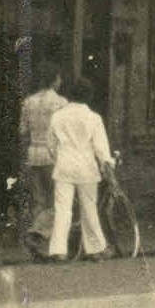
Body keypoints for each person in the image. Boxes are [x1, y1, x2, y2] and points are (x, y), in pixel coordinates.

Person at [47, 79, 115, 262]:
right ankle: (95, 249)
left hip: (64, 165)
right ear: (89, 96)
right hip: (87, 167)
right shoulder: (94, 118)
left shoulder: (57, 116)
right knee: (89, 208)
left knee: (62, 209)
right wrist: (107, 166)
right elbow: (101, 148)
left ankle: (59, 251)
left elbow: (51, 144)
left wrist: (58, 158)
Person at [18, 62, 67, 257]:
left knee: (39, 200)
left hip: (33, 154)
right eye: (59, 78)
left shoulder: (28, 102)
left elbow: (22, 131)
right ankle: (37, 233)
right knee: (57, 201)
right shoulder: (60, 102)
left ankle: (37, 244)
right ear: (54, 80)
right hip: (53, 155)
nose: (60, 81)